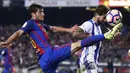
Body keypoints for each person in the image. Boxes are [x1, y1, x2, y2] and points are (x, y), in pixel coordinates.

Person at [0, 4, 122, 73]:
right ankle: (107, 35)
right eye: (41, 12)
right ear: (33, 14)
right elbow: (18, 32)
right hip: (49, 54)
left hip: (45, 62)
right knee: (78, 44)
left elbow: (53, 28)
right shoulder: (30, 23)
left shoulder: (40, 25)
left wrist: (68, 30)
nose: (43, 14)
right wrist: (7, 42)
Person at [72, 5, 116, 73]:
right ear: (97, 14)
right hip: (88, 61)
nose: (104, 20)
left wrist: (109, 36)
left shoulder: (98, 27)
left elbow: (96, 41)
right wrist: (89, 36)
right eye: (104, 17)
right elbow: (75, 34)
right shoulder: (89, 24)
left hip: (91, 61)